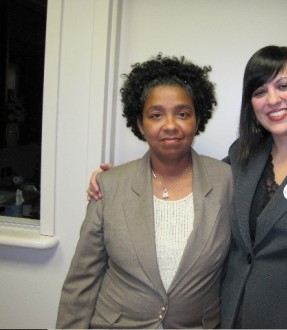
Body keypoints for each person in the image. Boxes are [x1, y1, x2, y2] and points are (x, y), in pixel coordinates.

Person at [88, 46, 287, 329]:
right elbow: (190, 177)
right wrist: (122, 180)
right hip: (235, 318)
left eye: (283, 86)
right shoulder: (244, 156)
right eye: (260, 91)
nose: (272, 100)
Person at [57, 54, 233, 329]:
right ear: (140, 124)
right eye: (156, 115)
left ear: (197, 120)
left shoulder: (227, 181)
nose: (171, 125)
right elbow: (82, 280)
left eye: (183, 113)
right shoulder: (110, 185)